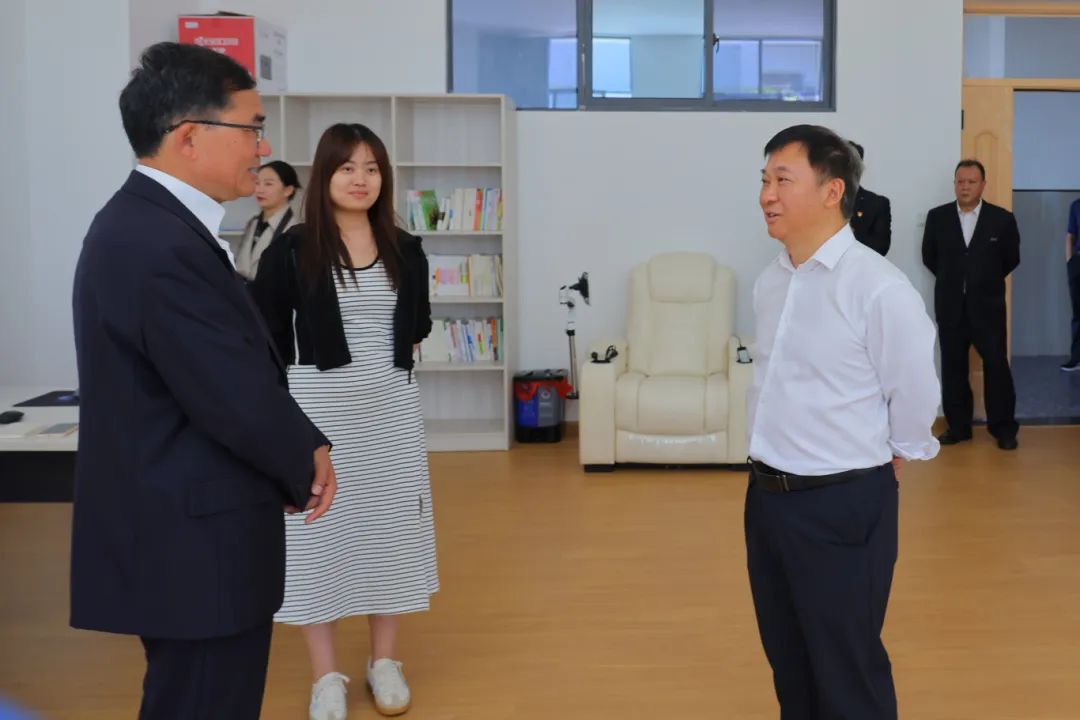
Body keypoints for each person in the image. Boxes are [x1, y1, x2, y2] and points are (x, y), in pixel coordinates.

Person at [70, 42, 337, 720]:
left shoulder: (152, 227)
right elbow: (228, 391)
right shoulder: (155, 243)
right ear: (189, 136)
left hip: (190, 527)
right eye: (252, 127)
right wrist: (302, 457)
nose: (263, 147)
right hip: (193, 541)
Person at [747, 124, 940, 719]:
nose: (767, 195)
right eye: (764, 180)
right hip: (767, 499)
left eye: (783, 180)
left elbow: (915, 392)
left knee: (847, 669)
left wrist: (897, 450)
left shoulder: (878, 288)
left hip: (841, 503)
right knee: (791, 663)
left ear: (833, 192)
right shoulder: (771, 281)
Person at [252, 123, 438, 719]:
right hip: (319, 410)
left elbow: (419, 322)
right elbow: (265, 333)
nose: (361, 179)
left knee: (390, 531)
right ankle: (325, 674)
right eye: (347, 167)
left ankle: (385, 661)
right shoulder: (293, 248)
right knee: (318, 537)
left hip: (391, 410)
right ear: (325, 175)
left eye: (372, 168)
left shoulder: (406, 247)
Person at [922, 159, 1021, 450]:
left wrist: (980, 280)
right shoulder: (938, 217)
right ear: (955, 184)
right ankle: (958, 427)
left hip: (988, 308)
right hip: (950, 306)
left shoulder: (1002, 219)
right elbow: (930, 256)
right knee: (953, 367)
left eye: (971, 182)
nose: (965, 187)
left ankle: (1003, 429)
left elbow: (1011, 259)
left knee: (997, 367)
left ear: (982, 185)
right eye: (960, 181)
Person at [232, 160, 302, 280]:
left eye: (268, 184)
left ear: (288, 190)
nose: (259, 190)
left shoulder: (296, 229)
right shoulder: (253, 223)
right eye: (257, 183)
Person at [847, 141, 892, 256]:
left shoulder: (877, 204)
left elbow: (880, 247)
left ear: (859, 168)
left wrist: (848, 235)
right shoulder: (818, 200)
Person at [1062, 196, 1080, 371]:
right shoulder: (1076, 205)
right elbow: (1070, 235)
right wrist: (1070, 262)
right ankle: (1076, 358)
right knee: (1078, 312)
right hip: (1078, 263)